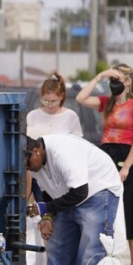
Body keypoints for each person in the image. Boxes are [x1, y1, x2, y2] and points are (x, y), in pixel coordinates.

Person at [24, 134, 122, 265]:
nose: (29, 169)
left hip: (97, 190)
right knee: (58, 246)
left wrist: (46, 208)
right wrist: (47, 216)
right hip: (68, 194)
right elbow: (45, 192)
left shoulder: (62, 153)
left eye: (27, 164)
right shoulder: (36, 164)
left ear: (35, 152)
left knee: (90, 248)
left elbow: (80, 192)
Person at [76, 63, 133, 265]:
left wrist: (126, 166)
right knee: (104, 206)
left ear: (128, 80)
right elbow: (81, 98)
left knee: (131, 208)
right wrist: (100, 76)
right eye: (113, 79)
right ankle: (104, 259)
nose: (115, 82)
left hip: (127, 155)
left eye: (119, 78)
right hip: (106, 154)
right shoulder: (107, 103)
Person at [26, 72, 83, 201]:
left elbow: (78, 145)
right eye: (46, 100)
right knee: (39, 213)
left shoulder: (70, 116)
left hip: (61, 174)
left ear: (61, 97)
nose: (50, 105)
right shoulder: (32, 116)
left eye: (54, 101)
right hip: (38, 173)